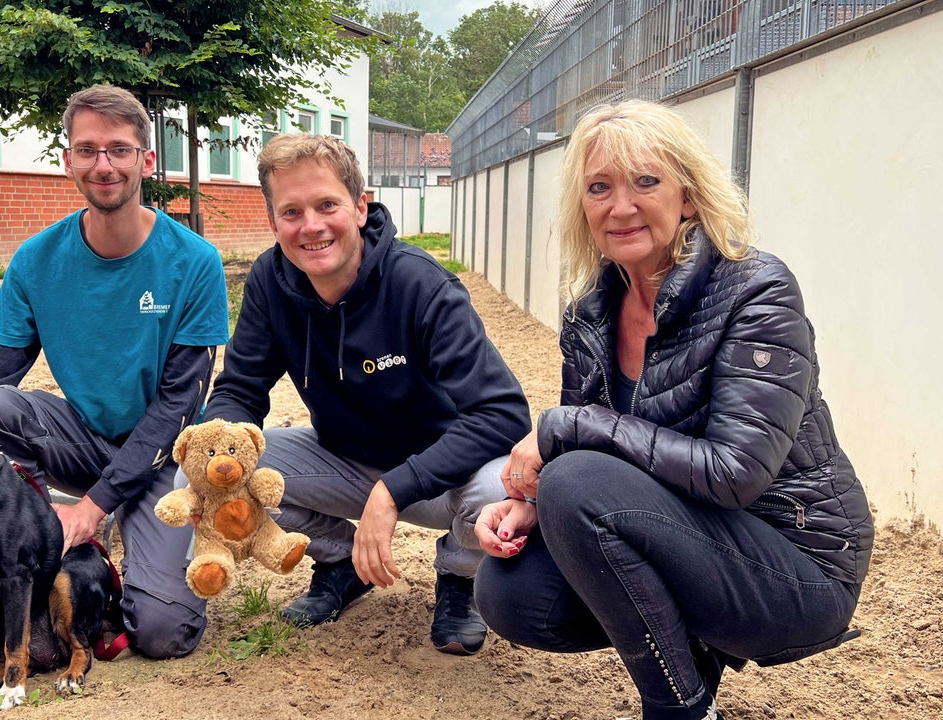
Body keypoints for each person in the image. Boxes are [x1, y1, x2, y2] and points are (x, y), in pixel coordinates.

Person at [473, 99, 873, 719]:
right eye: (599, 187)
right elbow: (597, 459)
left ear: (687, 197)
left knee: (577, 480)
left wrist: (561, 431)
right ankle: (691, 666)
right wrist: (529, 505)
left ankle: (679, 707)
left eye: (646, 182)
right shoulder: (589, 313)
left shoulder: (755, 289)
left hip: (796, 561)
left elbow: (734, 472)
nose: (621, 205)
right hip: (690, 538)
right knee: (512, 593)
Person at [201, 133, 530, 655]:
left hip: (442, 478)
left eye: (327, 204)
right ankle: (336, 562)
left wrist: (395, 490)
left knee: (502, 489)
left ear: (360, 207)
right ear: (273, 221)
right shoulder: (269, 280)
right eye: (291, 211)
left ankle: (459, 575)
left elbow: (503, 413)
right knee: (213, 466)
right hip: (344, 459)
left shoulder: (420, 285)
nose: (311, 226)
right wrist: (216, 442)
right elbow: (240, 388)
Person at [0, 84, 229, 659]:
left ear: (146, 161)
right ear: (68, 163)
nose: (102, 165)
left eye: (118, 150)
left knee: (162, 634)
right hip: (83, 441)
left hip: (170, 456)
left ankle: (117, 547)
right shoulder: (36, 260)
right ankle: (34, 545)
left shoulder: (194, 262)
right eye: (87, 150)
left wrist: (92, 508)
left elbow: (177, 408)